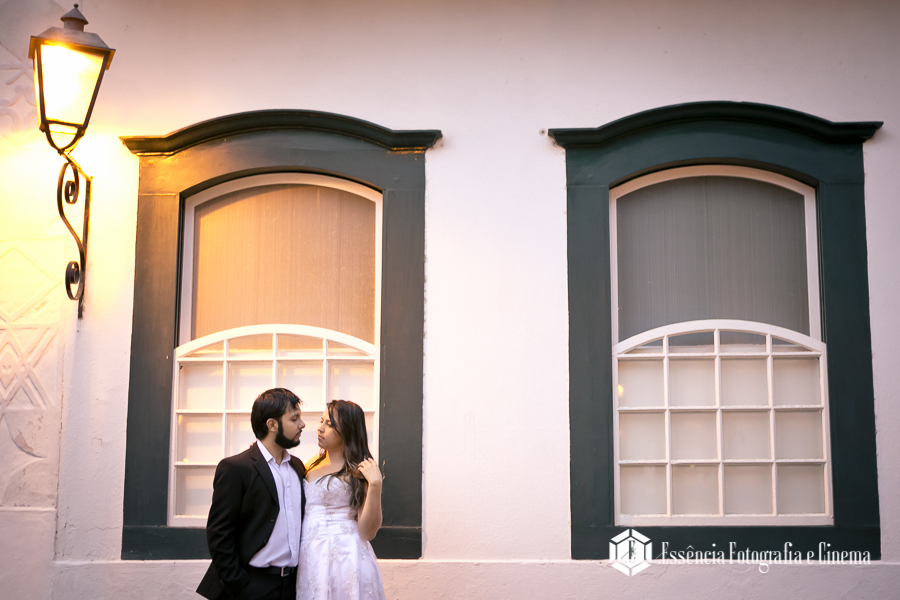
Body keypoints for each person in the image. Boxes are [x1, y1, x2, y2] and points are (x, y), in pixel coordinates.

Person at [197, 388, 307, 600]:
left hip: (293, 586)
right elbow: (219, 533)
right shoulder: (235, 468)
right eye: (295, 418)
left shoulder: (297, 467)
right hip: (252, 585)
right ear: (272, 425)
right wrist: (238, 584)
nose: (302, 424)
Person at [297, 400, 386, 600]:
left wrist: (375, 486)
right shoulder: (310, 464)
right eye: (322, 421)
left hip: (347, 557)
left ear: (347, 429)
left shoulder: (360, 471)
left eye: (329, 424)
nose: (320, 428)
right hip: (310, 555)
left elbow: (368, 531)